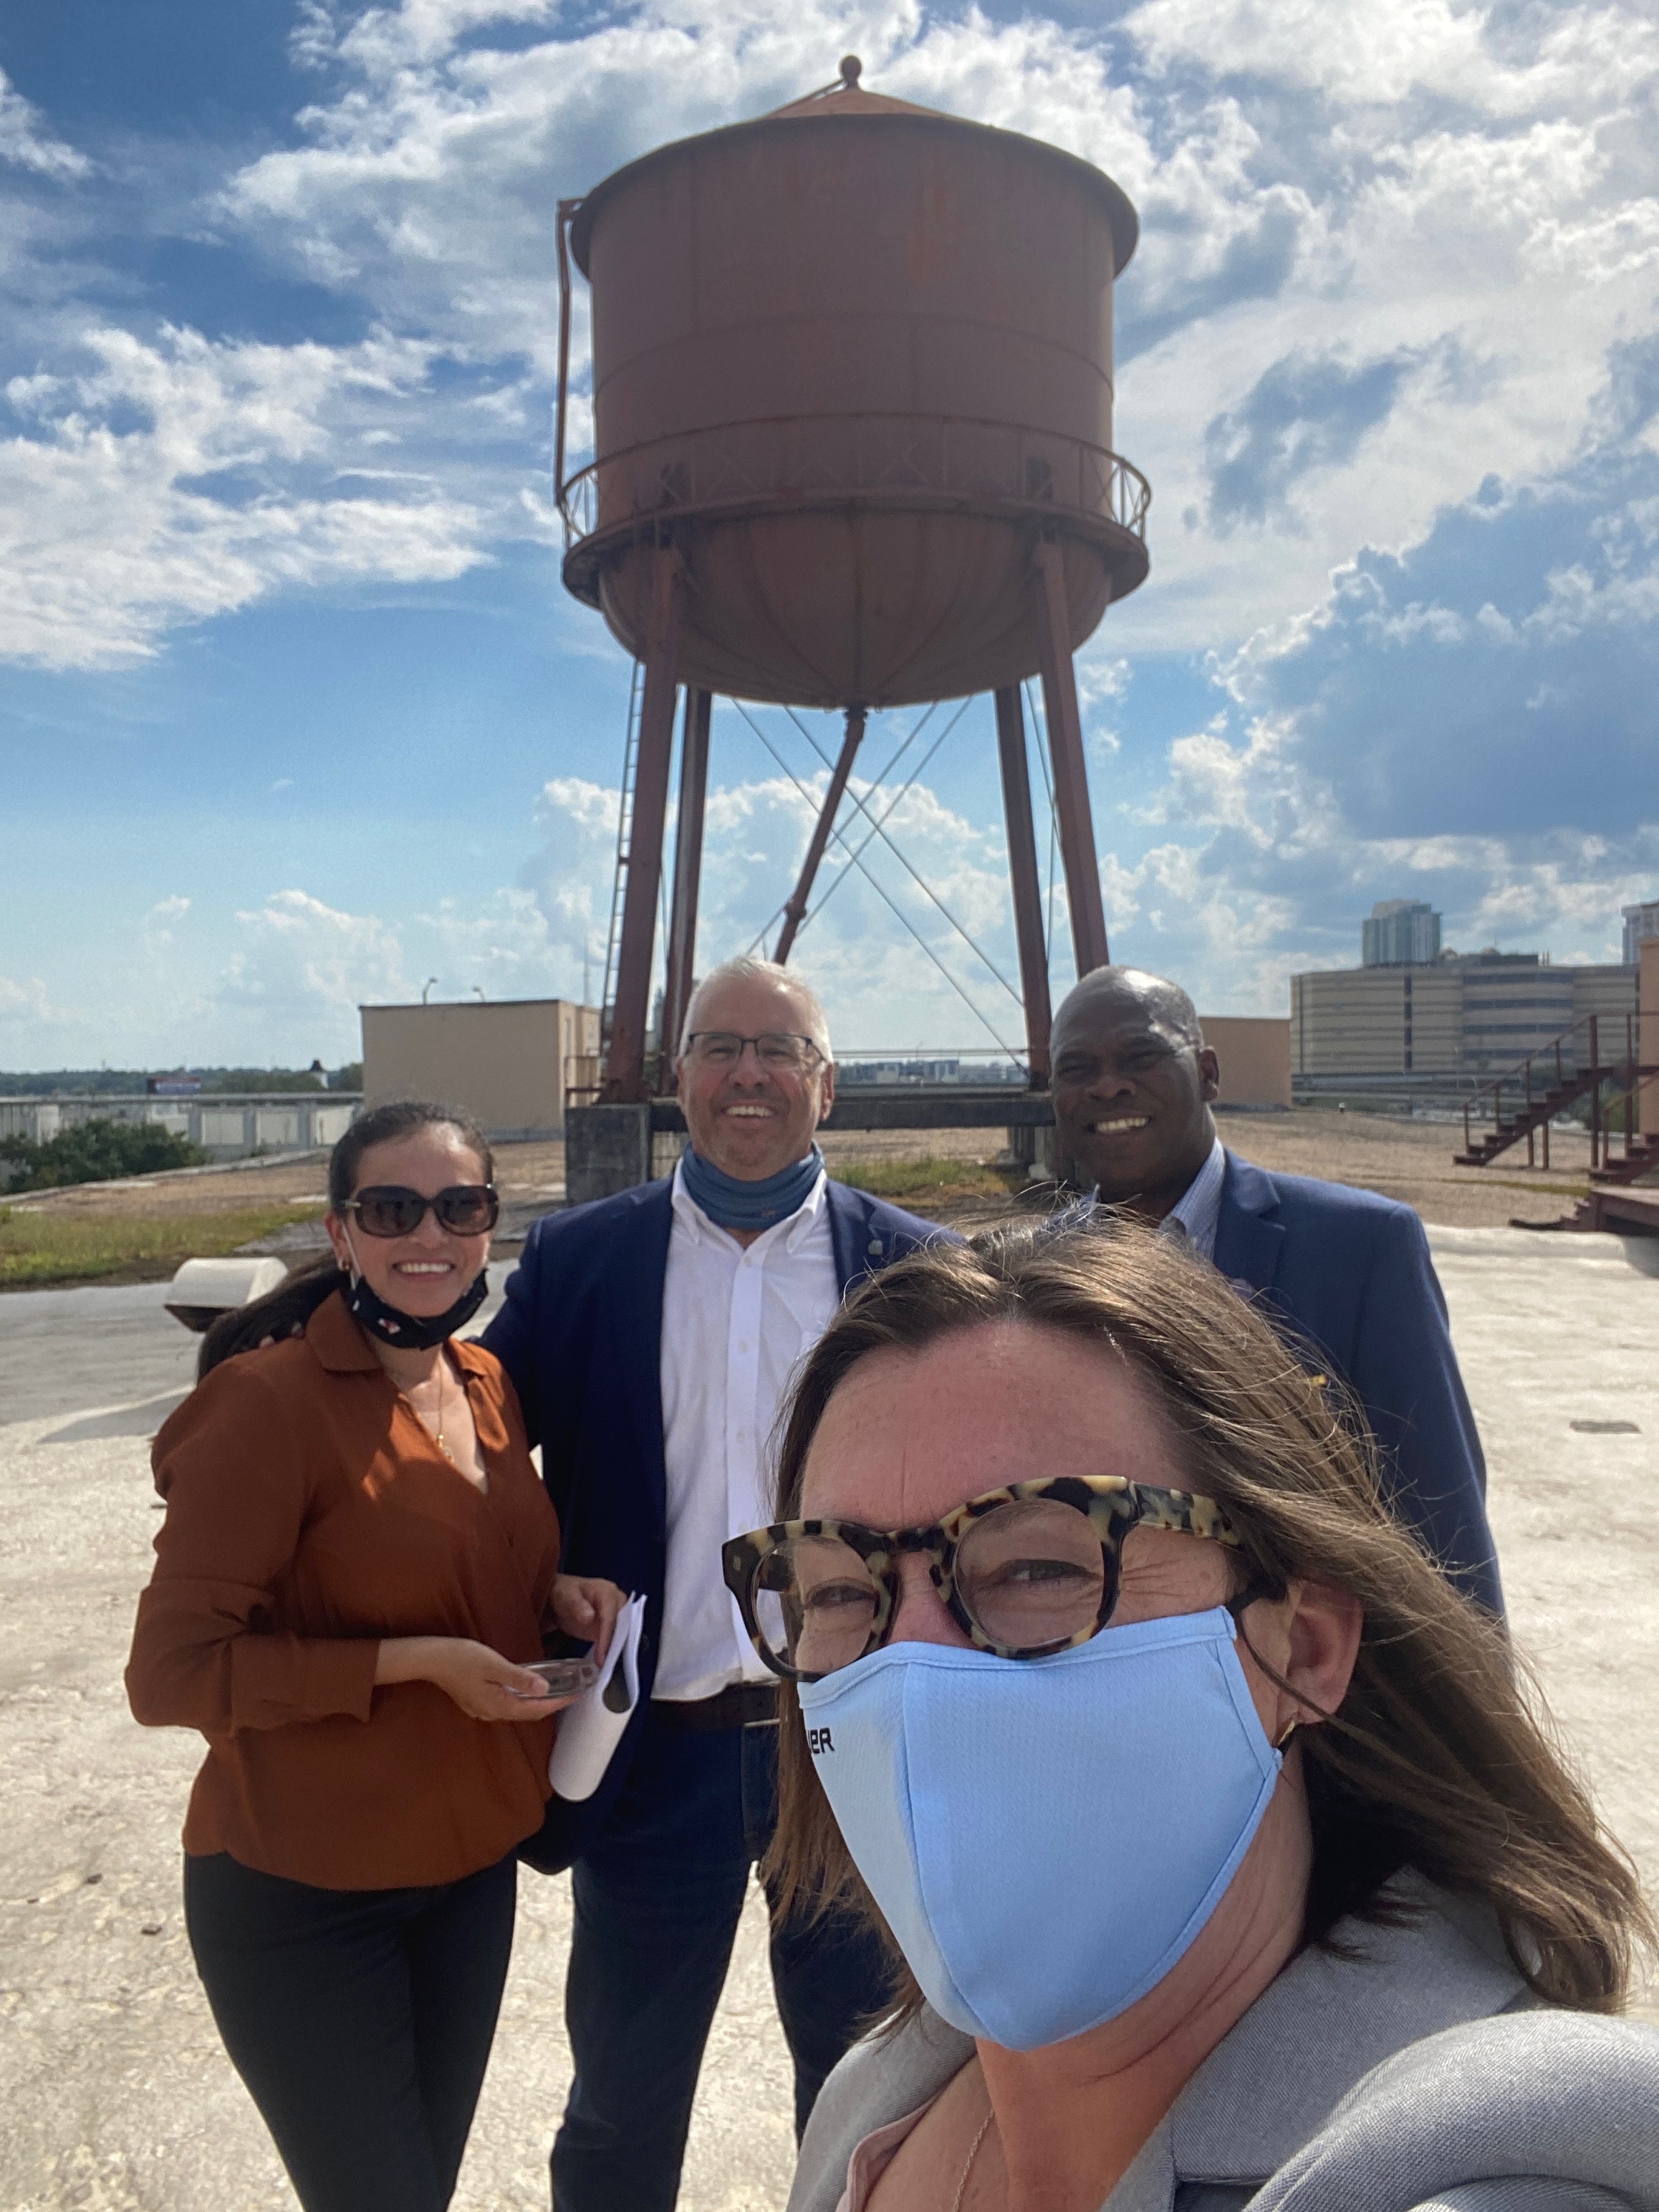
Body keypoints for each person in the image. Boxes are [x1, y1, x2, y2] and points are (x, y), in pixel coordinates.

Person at [726, 1225, 1659, 2212]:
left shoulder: (1495, 2156)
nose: (910, 1664)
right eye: (837, 1591)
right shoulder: (876, 2099)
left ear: (1303, 1650)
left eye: (1040, 1566)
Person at [482, 956, 952, 2212]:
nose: (750, 1074)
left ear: (826, 1083)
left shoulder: (917, 1271)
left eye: (780, 1050)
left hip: (848, 1750)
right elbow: (464, 1436)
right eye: (721, 1045)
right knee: (622, 2105)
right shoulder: (583, 1260)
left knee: (868, 2097)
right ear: (678, 1073)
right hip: (658, 1759)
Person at [126, 1101, 625, 2212]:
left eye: (461, 1207)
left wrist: (545, 1590)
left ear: (492, 1223)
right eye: (392, 1209)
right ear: (341, 1231)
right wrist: (411, 1662)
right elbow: (168, 1676)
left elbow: (432, 1549)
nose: (429, 1235)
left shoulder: (485, 1383)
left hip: (467, 1873)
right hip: (305, 1893)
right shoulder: (268, 1408)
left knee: (419, 2191)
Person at [1046, 964, 1501, 1615]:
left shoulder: (1361, 1247)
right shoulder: (1038, 1270)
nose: (1108, 1085)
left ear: (1207, 1072)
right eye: (1077, 1068)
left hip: (1307, 1680)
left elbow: (1441, 1516)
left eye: (1140, 1056)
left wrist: (1468, 1704)